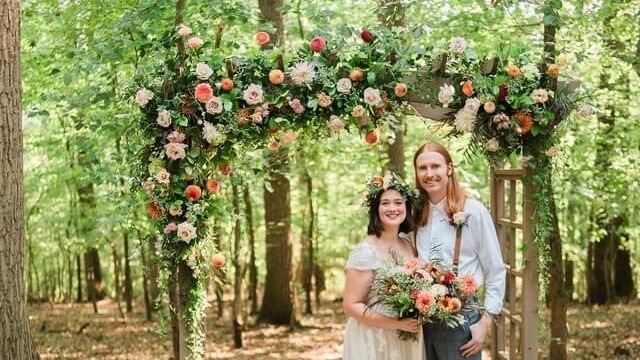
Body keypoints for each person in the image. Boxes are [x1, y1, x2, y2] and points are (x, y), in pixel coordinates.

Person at [413, 142, 505, 359]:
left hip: (460, 316)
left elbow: (496, 270)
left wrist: (485, 322)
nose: (429, 174)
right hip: (419, 319)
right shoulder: (414, 212)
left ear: (449, 169)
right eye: (422, 168)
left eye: (435, 166)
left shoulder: (473, 211)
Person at [342, 174, 425, 360]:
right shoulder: (365, 252)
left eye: (398, 202)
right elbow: (350, 305)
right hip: (375, 336)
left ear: (406, 207)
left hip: (407, 335)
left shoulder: (409, 244)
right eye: (385, 203)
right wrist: (394, 323)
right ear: (375, 209)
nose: (393, 208)